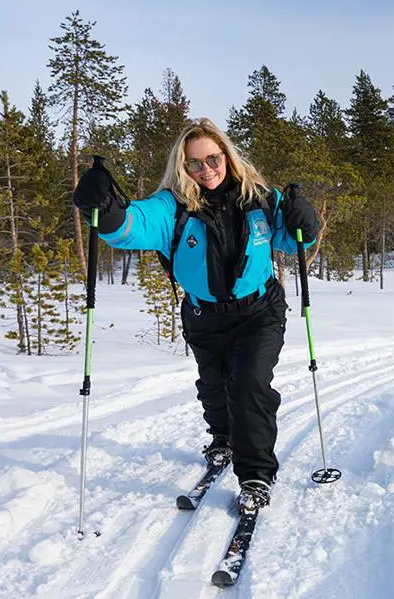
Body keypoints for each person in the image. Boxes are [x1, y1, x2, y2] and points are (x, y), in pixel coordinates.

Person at [71, 117, 321, 512]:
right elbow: (131, 227)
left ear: (227, 156)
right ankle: (222, 436)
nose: (207, 169)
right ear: (182, 167)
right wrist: (105, 208)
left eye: (213, 159)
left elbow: (293, 241)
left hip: (259, 310)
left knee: (249, 384)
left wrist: (305, 219)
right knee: (214, 385)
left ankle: (256, 473)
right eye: (195, 163)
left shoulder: (259, 197)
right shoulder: (172, 207)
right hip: (204, 316)